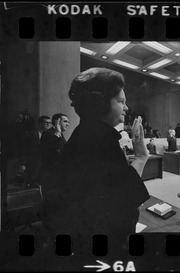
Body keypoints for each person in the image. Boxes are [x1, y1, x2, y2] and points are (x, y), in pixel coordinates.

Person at [43, 67, 150, 259]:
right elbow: (123, 200)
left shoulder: (85, 133)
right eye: (121, 101)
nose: (126, 107)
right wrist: (141, 157)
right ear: (100, 103)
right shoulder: (100, 140)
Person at [40, 113, 69, 194]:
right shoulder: (48, 134)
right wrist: (57, 133)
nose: (68, 124)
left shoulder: (60, 134)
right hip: (50, 174)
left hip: (57, 173)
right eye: (65, 121)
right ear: (58, 122)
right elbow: (50, 153)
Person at [18, 115, 52, 186]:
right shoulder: (30, 134)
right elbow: (23, 150)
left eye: (50, 123)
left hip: (44, 164)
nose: (49, 125)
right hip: (32, 164)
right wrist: (22, 163)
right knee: (31, 184)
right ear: (40, 123)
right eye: (46, 122)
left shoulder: (50, 135)